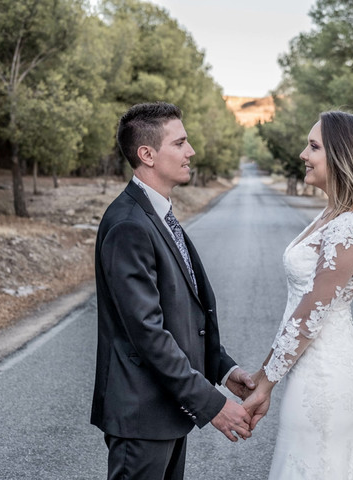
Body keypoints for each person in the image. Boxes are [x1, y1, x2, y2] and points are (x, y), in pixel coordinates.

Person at [89, 101, 257, 480]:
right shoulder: (129, 225)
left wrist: (222, 368)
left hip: (165, 411)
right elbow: (148, 334)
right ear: (147, 154)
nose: (191, 151)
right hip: (141, 415)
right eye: (180, 143)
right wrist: (212, 405)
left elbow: (180, 313)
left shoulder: (157, 213)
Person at [242, 110, 353, 479]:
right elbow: (298, 311)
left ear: (342, 155)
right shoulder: (331, 215)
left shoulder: (349, 225)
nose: (303, 155)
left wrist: (266, 384)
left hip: (325, 375)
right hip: (311, 365)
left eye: (313, 147)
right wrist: (262, 374)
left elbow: (310, 314)